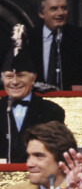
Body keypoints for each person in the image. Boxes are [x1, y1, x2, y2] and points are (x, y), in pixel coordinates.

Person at [0, 25, 65, 162]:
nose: (15, 82)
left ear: (33, 78)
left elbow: (57, 153)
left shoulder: (52, 111)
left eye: (21, 75)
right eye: (9, 76)